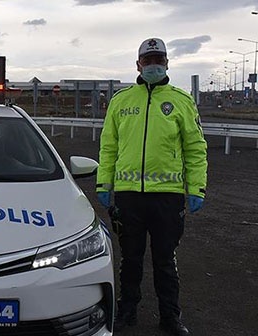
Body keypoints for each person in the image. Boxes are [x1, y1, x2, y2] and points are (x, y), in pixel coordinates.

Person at [96, 38, 207, 336]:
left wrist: (196, 189)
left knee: (165, 262)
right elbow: (108, 147)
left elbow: (195, 149)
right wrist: (103, 183)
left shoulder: (181, 101)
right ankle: (128, 311)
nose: (153, 65)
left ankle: (170, 317)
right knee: (130, 260)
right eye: (148, 61)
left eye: (158, 60)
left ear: (168, 63)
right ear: (138, 65)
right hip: (129, 197)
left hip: (167, 200)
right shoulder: (122, 101)